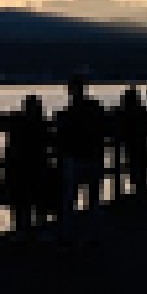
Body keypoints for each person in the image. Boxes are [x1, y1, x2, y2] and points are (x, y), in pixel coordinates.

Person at [53, 74, 108, 242]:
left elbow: (61, 135)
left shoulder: (68, 113)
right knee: (92, 198)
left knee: (70, 197)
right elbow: (104, 129)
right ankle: (91, 233)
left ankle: (69, 232)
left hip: (75, 157)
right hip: (92, 155)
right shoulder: (95, 109)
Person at [0, 95, 58, 238]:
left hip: (18, 170)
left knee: (20, 205)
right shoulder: (43, 125)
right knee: (37, 203)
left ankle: (21, 234)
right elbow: (52, 143)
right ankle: (37, 233)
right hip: (37, 169)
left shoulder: (18, 122)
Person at [115, 85, 147, 194]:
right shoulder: (142, 111)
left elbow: (119, 128)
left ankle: (130, 189)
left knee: (131, 166)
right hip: (140, 142)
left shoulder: (123, 112)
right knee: (140, 166)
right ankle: (141, 189)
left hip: (130, 143)